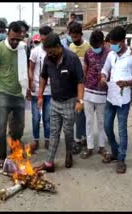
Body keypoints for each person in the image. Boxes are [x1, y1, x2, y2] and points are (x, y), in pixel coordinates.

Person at [34, 32, 84, 172]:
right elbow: (43, 77)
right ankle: (49, 162)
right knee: (54, 132)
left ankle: (69, 154)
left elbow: (80, 81)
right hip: (55, 102)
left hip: (70, 101)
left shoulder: (72, 59)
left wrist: (80, 100)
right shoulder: (48, 59)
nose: (49, 54)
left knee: (68, 132)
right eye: (47, 52)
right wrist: (40, 96)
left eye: (51, 51)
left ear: (58, 47)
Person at [0, 21, 28, 172]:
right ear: (8, 33)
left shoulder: (23, 48)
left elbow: (26, 69)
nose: (16, 42)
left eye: (19, 39)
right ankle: (2, 158)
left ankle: (15, 151)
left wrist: (28, 88)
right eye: (13, 39)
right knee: (2, 127)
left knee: (20, 126)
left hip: (19, 94)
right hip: (3, 93)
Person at [100, 26, 132, 174]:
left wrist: (127, 83)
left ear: (123, 41)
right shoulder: (111, 54)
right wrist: (103, 77)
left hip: (124, 99)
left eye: (115, 43)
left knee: (122, 130)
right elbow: (105, 69)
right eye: (111, 43)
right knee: (107, 126)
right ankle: (115, 152)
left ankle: (121, 159)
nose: (112, 45)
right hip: (111, 97)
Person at [80, 29, 110, 159]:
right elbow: (85, 69)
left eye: (97, 46)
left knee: (101, 121)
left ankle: (102, 147)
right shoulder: (88, 52)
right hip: (88, 92)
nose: (95, 49)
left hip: (103, 93)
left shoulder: (110, 54)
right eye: (93, 46)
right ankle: (90, 147)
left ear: (103, 43)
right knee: (89, 121)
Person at [28, 26, 53, 152]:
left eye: (46, 37)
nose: (44, 40)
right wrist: (31, 81)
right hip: (36, 90)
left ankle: (48, 139)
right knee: (36, 117)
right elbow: (31, 69)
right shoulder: (35, 51)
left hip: (49, 90)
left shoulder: (53, 51)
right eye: (42, 37)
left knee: (48, 118)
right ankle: (36, 140)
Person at [68, 22, 91, 154]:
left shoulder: (88, 47)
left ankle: (81, 138)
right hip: (72, 86)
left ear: (81, 35)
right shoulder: (70, 46)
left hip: (85, 86)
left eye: (76, 37)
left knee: (82, 113)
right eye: (72, 37)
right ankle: (78, 138)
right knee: (75, 113)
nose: (74, 39)